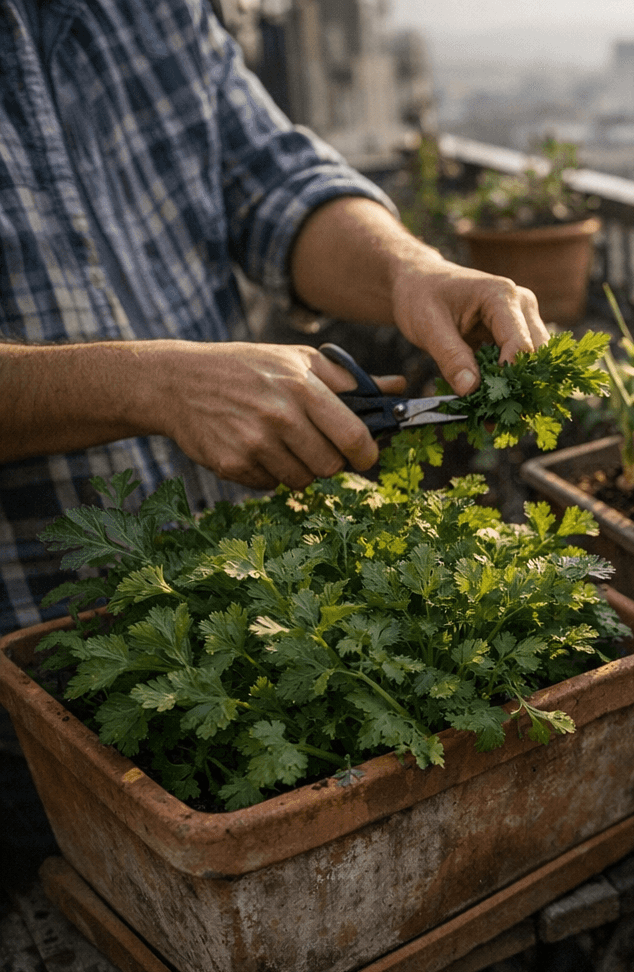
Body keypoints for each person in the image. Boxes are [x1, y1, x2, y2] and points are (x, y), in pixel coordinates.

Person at [0, 0, 550, 637]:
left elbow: (275, 182)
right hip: (35, 646)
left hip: (235, 586)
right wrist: (152, 384)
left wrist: (411, 273)